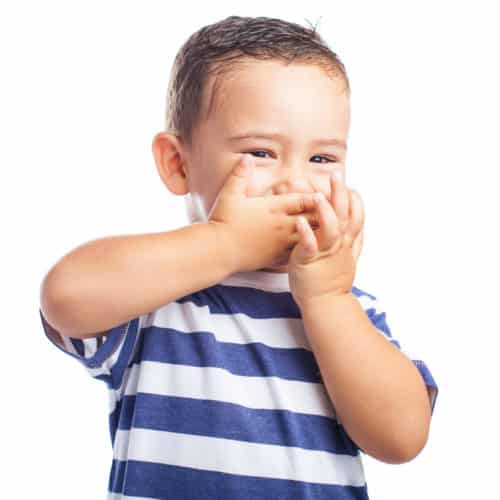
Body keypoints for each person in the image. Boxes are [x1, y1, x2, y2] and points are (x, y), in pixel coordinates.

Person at [39, 15, 439, 500]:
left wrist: (329, 300)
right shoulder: (155, 299)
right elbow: (64, 296)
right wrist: (226, 242)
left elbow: (402, 439)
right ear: (177, 163)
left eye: (322, 159)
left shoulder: (348, 306)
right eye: (262, 152)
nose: (296, 182)